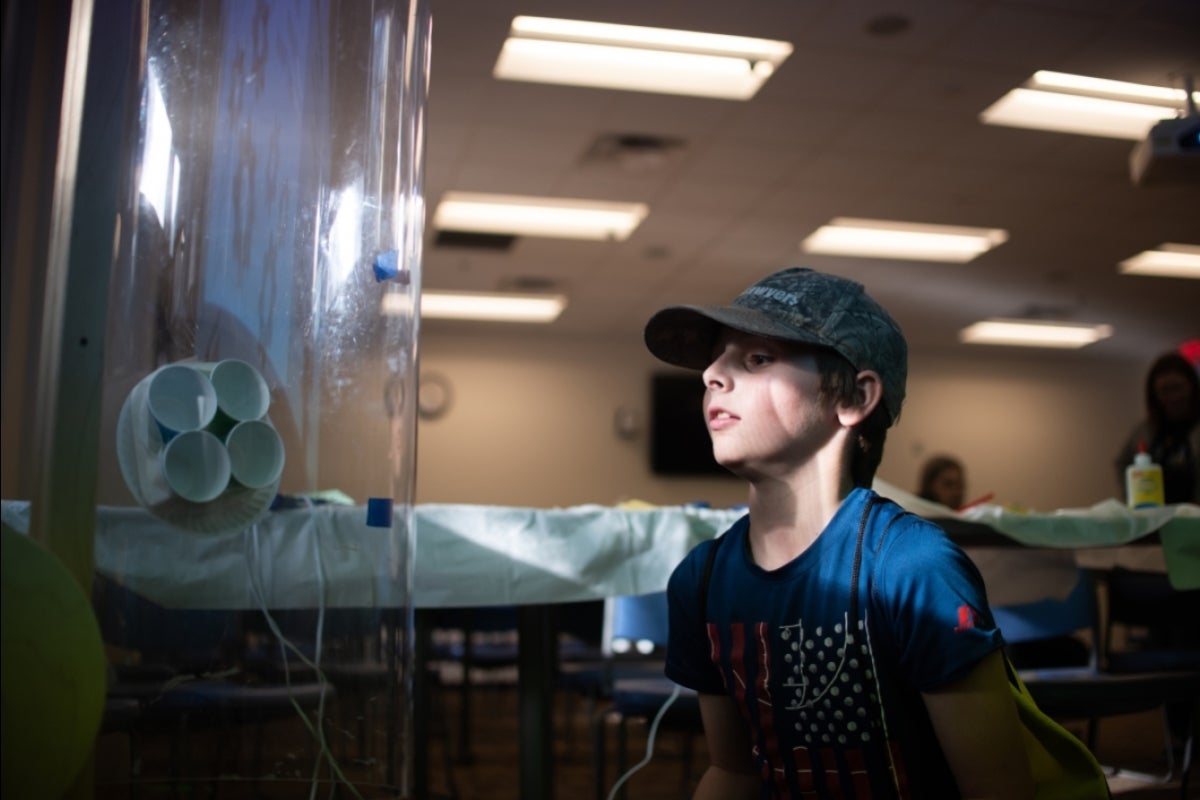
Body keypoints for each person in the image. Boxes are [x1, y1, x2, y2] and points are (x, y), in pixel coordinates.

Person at [643, 267, 1033, 798]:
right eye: (716, 356)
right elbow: (733, 772)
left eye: (757, 359)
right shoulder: (702, 578)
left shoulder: (913, 569)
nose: (712, 373)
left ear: (853, 399)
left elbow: (998, 789)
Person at [1115, 350, 1200, 505]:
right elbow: (1122, 463)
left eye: (1177, 388)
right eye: (1164, 391)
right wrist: (1130, 498)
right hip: (1152, 518)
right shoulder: (1144, 431)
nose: (1172, 397)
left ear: (1192, 387)